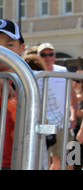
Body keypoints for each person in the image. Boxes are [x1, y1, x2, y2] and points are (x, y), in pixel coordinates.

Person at [37, 42, 76, 170]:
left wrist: (73, 115)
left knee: (62, 158)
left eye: (50, 54)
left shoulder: (63, 70)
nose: (47, 57)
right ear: (39, 57)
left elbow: (72, 95)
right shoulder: (35, 72)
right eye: (43, 55)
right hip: (42, 123)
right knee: (44, 159)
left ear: (54, 56)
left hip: (62, 122)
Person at [0, 19, 25, 169]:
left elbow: (45, 121)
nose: (1, 50)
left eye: (9, 45)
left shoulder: (32, 80)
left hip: (18, 162)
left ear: (21, 48)